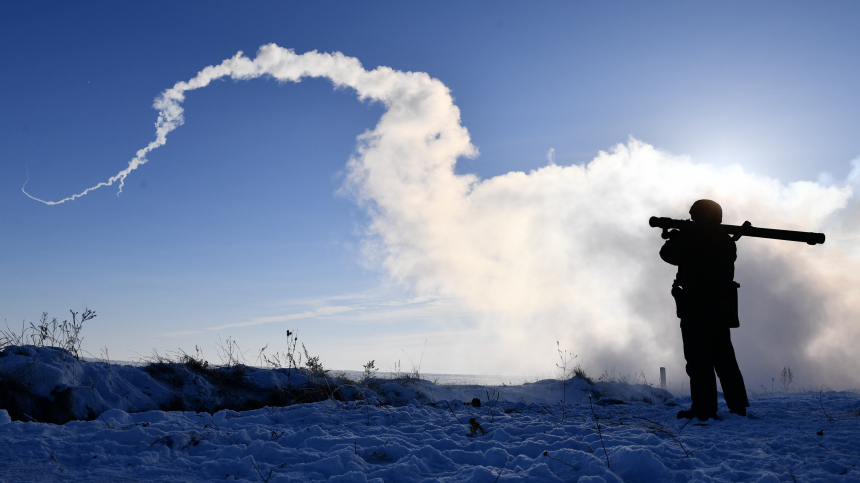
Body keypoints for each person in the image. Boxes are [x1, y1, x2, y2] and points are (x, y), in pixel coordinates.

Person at [659, 199, 750, 420]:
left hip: (695, 307)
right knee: (724, 357)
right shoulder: (726, 241)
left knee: (699, 359)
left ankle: (704, 408)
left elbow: (667, 254)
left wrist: (678, 236)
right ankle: (738, 406)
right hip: (720, 307)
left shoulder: (692, 239)